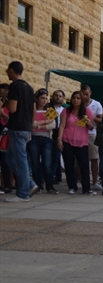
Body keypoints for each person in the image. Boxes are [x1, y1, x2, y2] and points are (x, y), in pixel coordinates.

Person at [4, 61, 38, 202]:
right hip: (25, 128)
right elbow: (33, 110)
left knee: (20, 160)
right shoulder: (29, 88)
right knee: (11, 158)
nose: (7, 73)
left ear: (12, 71)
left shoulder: (14, 86)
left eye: (8, 70)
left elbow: (12, 108)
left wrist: (5, 101)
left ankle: (23, 193)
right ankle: (29, 184)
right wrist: (30, 127)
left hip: (17, 128)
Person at [57, 91, 95, 195]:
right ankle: (72, 186)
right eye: (74, 98)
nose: (76, 100)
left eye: (78, 98)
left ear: (82, 100)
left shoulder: (86, 111)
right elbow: (62, 125)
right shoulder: (66, 111)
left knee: (84, 165)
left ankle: (86, 188)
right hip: (67, 140)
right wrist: (59, 138)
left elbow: (91, 126)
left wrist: (88, 123)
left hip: (82, 142)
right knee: (69, 164)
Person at [28, 88, 57, 195]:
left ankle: (49, 186)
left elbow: (53, 125)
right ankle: (38, 185)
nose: (44, 100)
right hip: (34, 138)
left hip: (46, 139)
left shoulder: (50, 110)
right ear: (37, 99)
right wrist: (44, 122)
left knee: (47, 164)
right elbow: (31, 124)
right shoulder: (33, 111)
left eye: (46, 98)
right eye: (42, 98)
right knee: (35, 163)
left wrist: (38, 125)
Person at [80, 84, 103, 191]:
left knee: (94, 158)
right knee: (80, 159)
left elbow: (100, 119)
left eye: (87, 94)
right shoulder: (78, 104)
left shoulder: (96, 104)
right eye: (83, 94)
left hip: (92, 133)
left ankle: (95, 181)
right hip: (79, 133)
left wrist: (91, 118)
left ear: (90, 93)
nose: (85, 96)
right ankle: (80, 180)